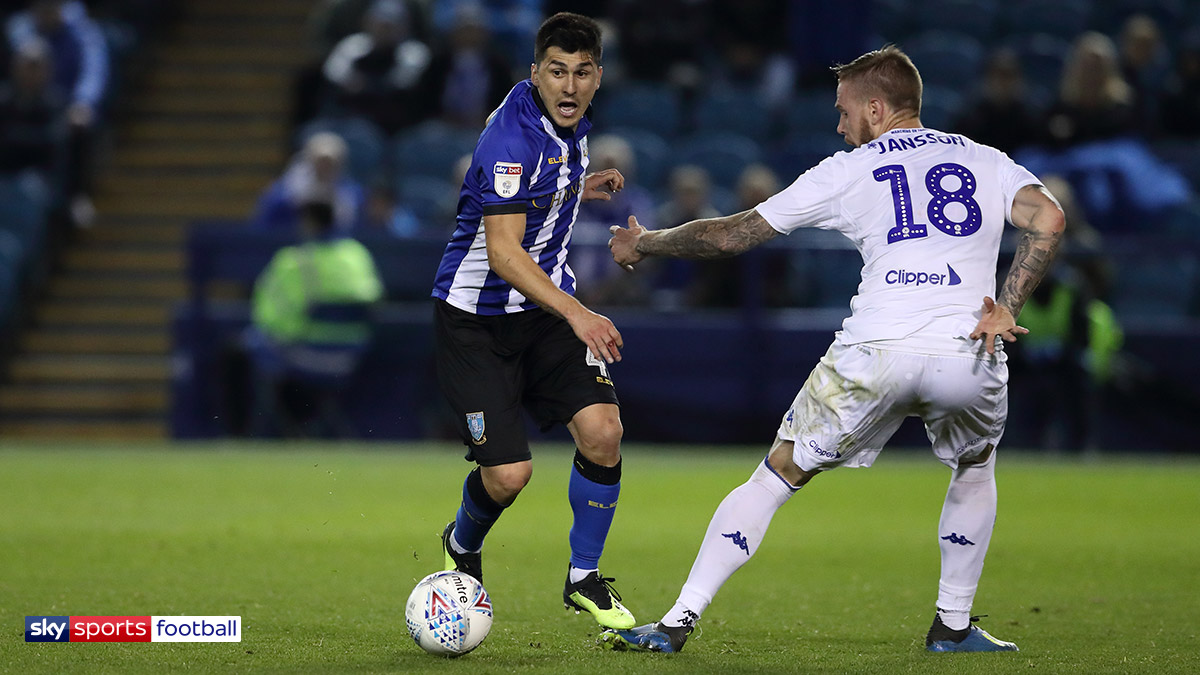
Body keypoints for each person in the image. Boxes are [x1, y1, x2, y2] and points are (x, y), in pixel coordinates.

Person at [603, 45, 1065, 653]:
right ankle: (952, 626)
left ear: (877, 108)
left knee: (778, 474)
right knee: (974, 466)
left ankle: (676, 622)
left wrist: (649, 243)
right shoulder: (984, 159)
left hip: (876, 351)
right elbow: (1050, 220)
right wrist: (1008, 305)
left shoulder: (847, 169)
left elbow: (730, 234)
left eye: (845, 110)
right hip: (967, 351)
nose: (839, 124)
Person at [429, 12, 635, 631]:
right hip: (477, 321)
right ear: (534, 74)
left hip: (540, 312)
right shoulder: (509, 139)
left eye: (581, 73)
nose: (568, 86)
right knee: (509, 476)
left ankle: (584, 579)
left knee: (603, 432)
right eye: (556, 72)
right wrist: (579, 313)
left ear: (597, 76)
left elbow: (539, 187)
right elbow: (504, 254)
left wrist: (576, 186)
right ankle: (462, 544)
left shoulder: (565, 124)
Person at [247, 201, 383, 437]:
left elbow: (269, 318)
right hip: (351, 357)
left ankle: (250, 434)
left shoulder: (292, 260)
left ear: (308, 222)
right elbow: (372, 301)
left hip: (304, 354)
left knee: (246, 348)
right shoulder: (357, 255)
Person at [253, 132, 366, 234]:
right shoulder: (285, 190)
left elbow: (361, 226)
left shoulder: (353, 193)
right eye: (320, 161)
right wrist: (296, 198)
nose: (325, 167)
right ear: (309, 161)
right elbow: (265, 221)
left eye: (331, 162)